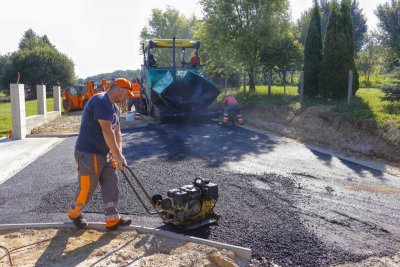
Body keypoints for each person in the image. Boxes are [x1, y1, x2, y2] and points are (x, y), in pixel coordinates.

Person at [67, 78, 135, 231]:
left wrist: (119, 154)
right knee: (87, 187)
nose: (126, 96)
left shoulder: (114, 108)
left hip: (104, 153)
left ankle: (112, 219)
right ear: (117, 88)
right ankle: (74, 213)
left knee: (111, 183)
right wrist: (116, 154)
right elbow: (106, 129)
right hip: (88, 153)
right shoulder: (100, 101)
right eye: (125, 93)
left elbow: (117, 131)